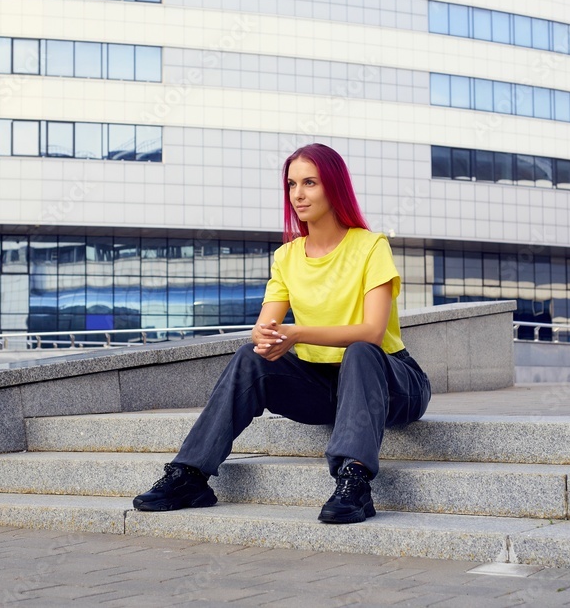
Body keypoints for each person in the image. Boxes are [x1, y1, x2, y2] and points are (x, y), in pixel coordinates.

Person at [133, 143, 431, 524]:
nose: (298, 194)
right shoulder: (286, 257)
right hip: (327, 388)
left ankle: (354, 482)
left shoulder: (371, 246)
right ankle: (190, 475)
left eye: (310, 182)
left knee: (359, 350)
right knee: (248, 357)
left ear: (334, 187)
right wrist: (266, 336)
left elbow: (372, 332)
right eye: (292, 184)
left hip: (390, 379)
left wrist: (298, 333)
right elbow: (267, 327)